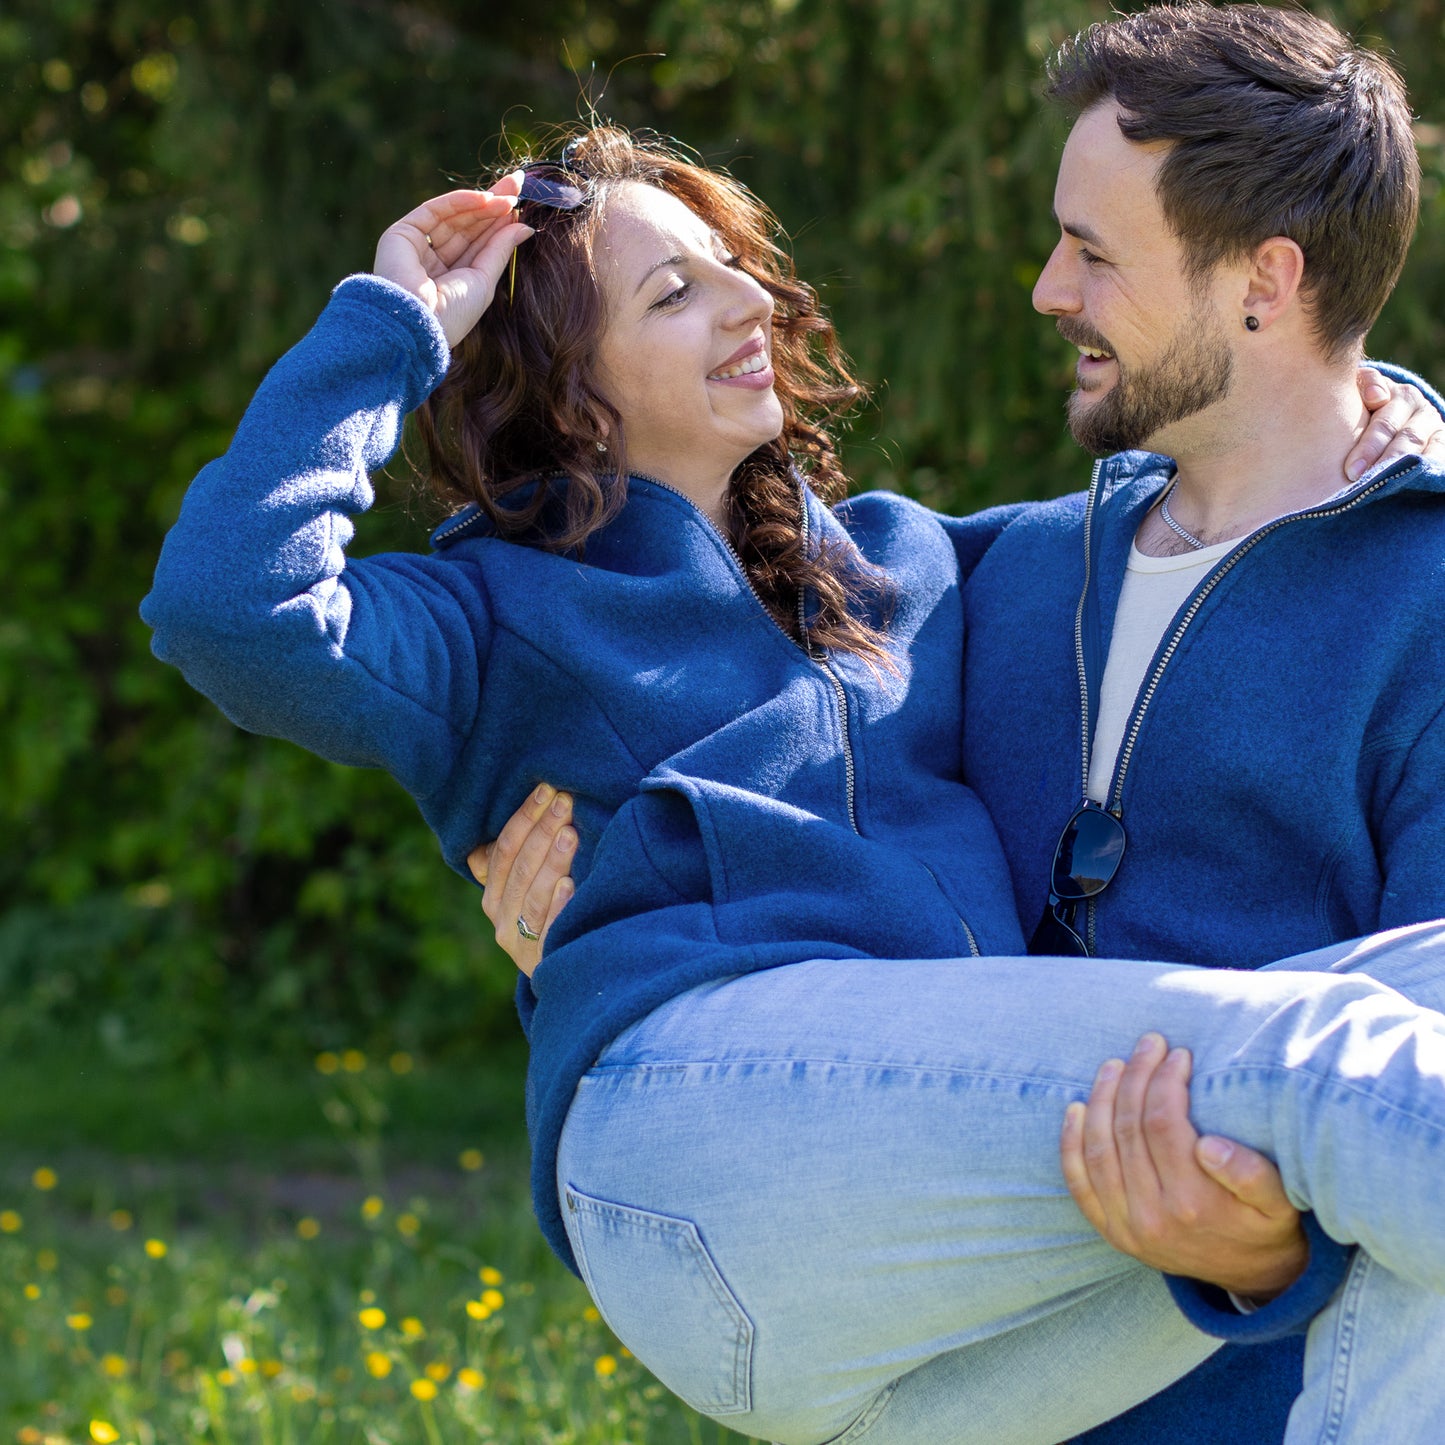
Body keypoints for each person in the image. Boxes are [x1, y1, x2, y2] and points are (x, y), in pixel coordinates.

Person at [141, 110, 1445, 1445]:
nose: (746, 296)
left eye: (733, 263)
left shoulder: (905, 566)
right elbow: (228, 609)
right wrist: (394, 322)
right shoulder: (497, 611)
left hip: (937, 1243)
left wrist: (1398, 432)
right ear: (569, 388)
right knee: (1320, 1066)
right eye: (673, 290)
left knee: (1422, 1008)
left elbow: (1244, 499)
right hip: (708, 1151)